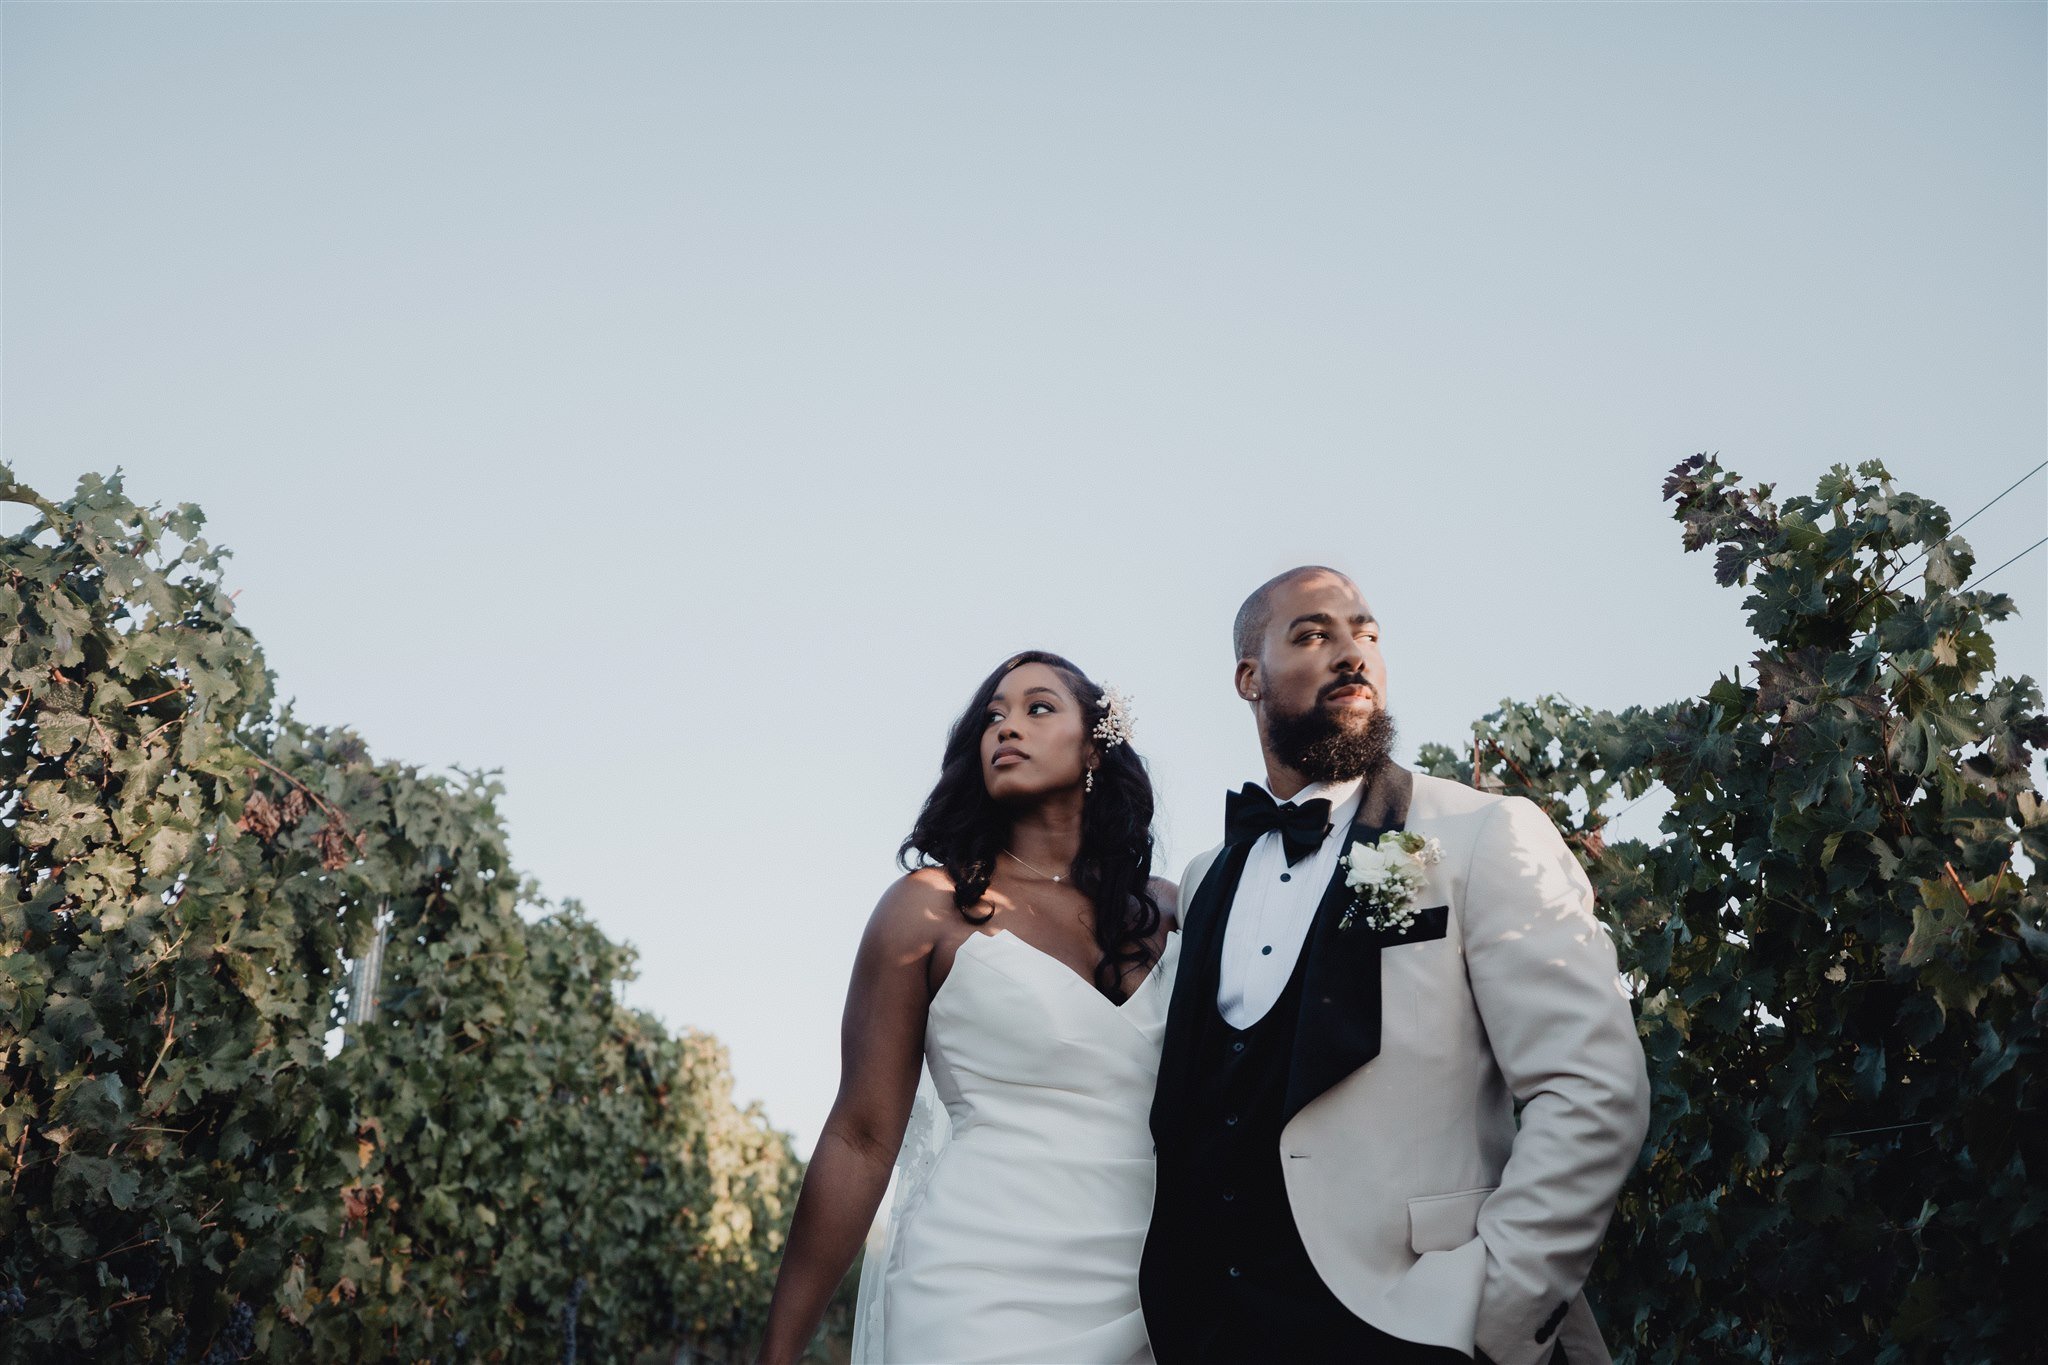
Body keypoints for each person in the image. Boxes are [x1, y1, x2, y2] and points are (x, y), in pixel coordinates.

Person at [1141, 566, 1651, 1365]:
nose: (1353, 654)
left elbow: (1594, 1088)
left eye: (1367, 634)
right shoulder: (1209, 876)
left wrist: (1494, 1314)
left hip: (1417, 1325)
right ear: (1249, 677)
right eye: (1313, 634)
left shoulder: (1484, 833)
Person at [758, 651, 1179, 1365]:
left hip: (1155, 1297)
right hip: (976, 1290)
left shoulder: (1173, 909)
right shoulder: (929, 909)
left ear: (1096, 746)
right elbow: (860, 1137)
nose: (1006, 727)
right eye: (992, 716)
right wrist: (777, 1352)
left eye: (1037, 708)